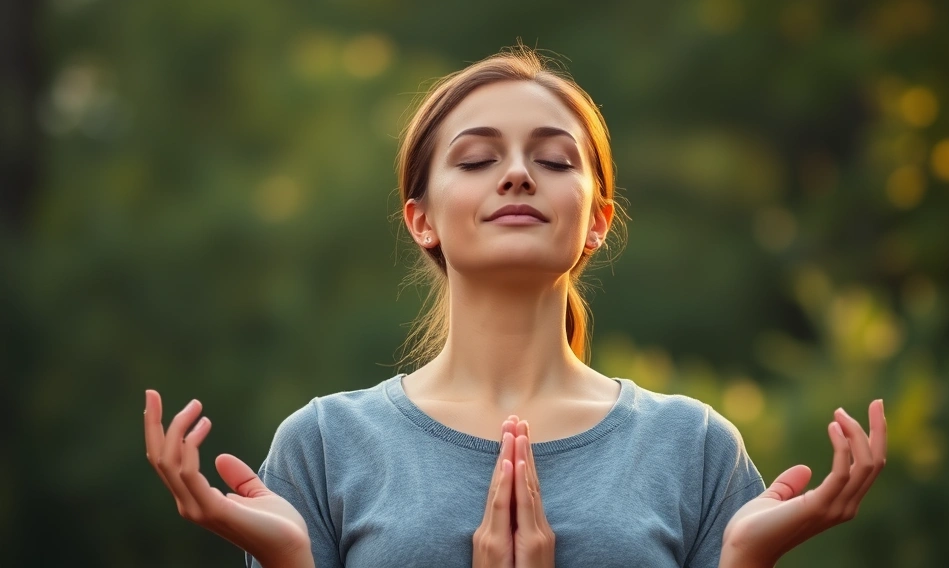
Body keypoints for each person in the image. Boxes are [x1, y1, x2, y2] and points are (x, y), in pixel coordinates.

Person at [143, 46, 886, 568]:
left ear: (595, 219)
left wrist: (746, 561)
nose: (519, 174)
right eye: (476, 159)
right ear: (421, 219)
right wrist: (289, 563)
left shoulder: (694, 450)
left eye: (555, 159)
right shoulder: (325, 445)